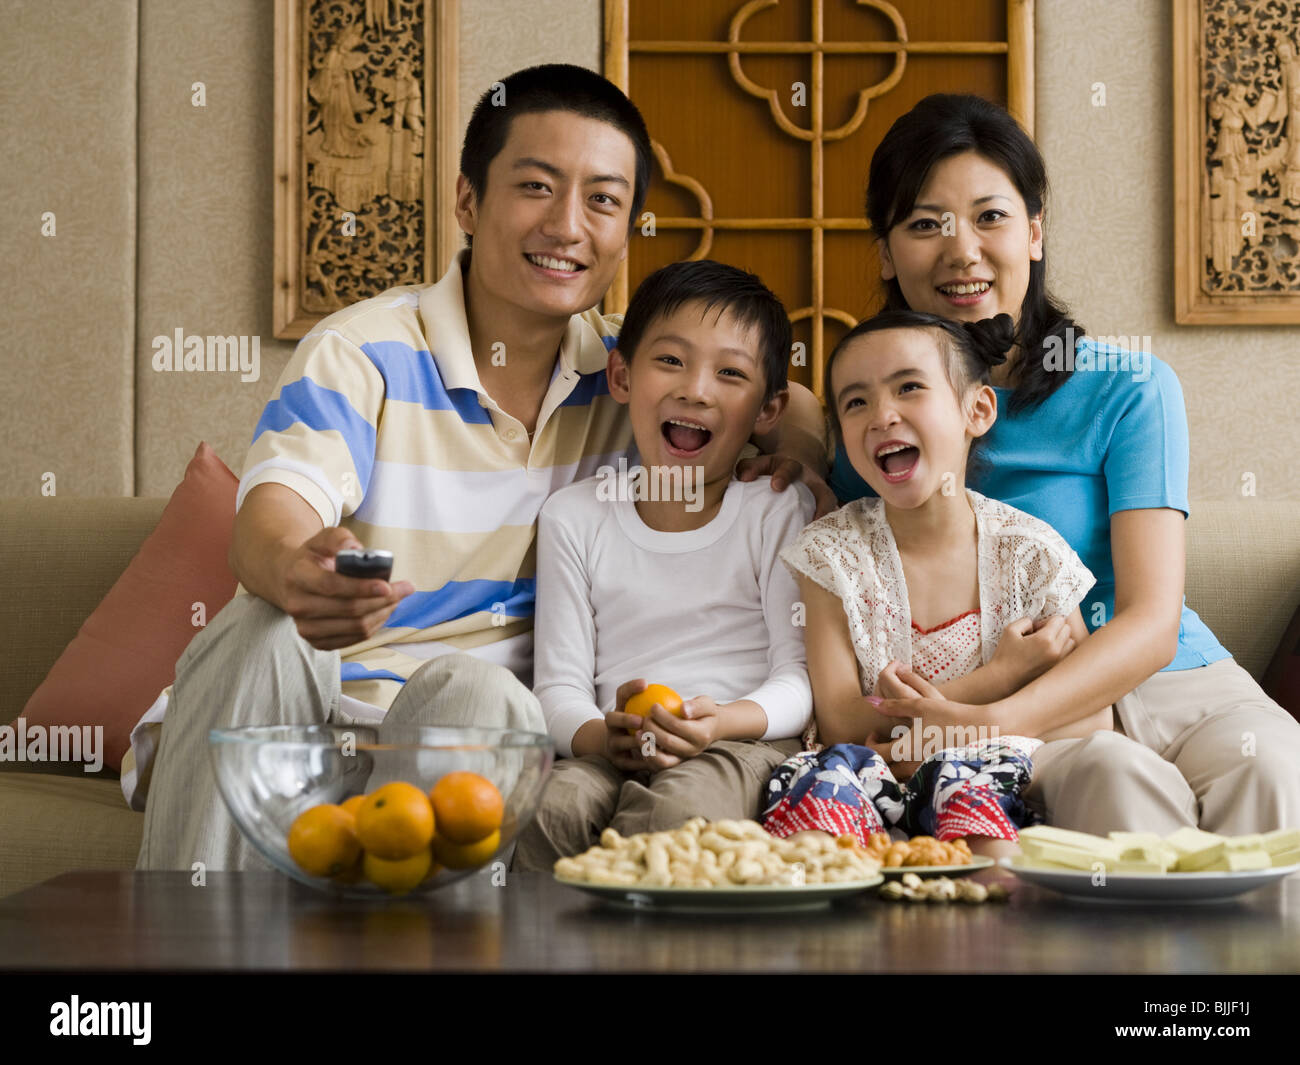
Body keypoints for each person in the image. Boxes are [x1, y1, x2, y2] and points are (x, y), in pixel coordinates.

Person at [128, 64, 832, 872]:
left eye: (602, 200)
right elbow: (271, 520)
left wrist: (796, 458)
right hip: (309, 721)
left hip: (467, 741)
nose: (568, 225)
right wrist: (297, 571)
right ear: (468, 201)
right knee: (266, 626)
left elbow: (789, 399)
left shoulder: (633, 374)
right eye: (537, 186)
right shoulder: (364, 351)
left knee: (484, 690)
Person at [830, 93, 1300, 836]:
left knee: (1277, 771)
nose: (962, 251)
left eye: (991, 216)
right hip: (1047, 719)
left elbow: (1150, 618)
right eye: (926, 224)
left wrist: (993, 717)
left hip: (1176, 681)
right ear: (886, 252)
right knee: (1117, 785)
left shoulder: (1130, 387)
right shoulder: (877, 421)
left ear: (1034, 233)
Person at [761, 310, 1110, 856]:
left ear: (978, 409)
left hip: (992, 777)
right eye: (856, 402)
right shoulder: (830, 555)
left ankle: (986, 922)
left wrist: (936, 737)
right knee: (818, 812)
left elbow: (1093, 714)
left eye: (909, 388)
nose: (882, 416)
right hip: (865, 775)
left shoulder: (1030, 553)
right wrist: (999, 677)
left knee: (974, 806)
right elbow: (845, 725)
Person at [512, 260, 815, 871]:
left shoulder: (775, 509)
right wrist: (606, 736)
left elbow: (801, 681)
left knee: (671, 818)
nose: (696, 389)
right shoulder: (575, 516)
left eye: (731, 373)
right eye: (671, 361)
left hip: (743, 742)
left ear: (767, 409)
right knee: (546, 810)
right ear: (621, 374)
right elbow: (558, 689)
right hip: (612, 744)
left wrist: (720, 722)